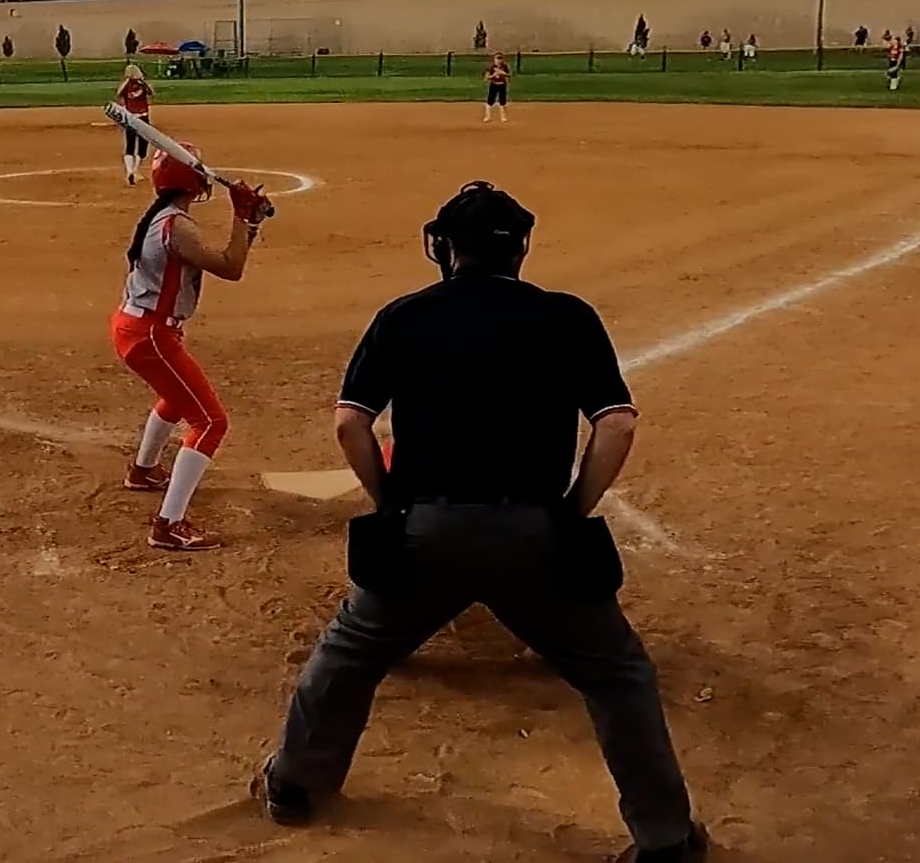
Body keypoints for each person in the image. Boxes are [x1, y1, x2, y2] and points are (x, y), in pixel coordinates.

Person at [253, 181, 707, 863]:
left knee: (349, 654)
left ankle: (295, 784)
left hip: (426, 532)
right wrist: (571, 512)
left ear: (447, 249)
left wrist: (389, 502)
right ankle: (665, 838)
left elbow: (350, 423)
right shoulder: (567, 316)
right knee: (618, 677)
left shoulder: (406, 315)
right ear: (521, 248)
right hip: (533, 535)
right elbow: (616, 425)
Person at [111, 146, 272, 551]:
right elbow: (230, 268)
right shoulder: (177, 226)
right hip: (150, 335)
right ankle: (168, 525)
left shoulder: (162, 216)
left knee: (176, 397)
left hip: (137, 327)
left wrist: (249, 222)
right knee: (210, 423)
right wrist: (242, 218)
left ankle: (143, 470)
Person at [114, 65, 156, 186]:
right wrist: (139, 81)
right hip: (141, 117)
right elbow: (151, 93)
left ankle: (130, 171)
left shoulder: (134, 85)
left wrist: (139, 81)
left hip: (130, 118)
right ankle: (135, 170)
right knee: (142, 146)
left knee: (130, 145)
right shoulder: (132, 85)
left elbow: (151, 92)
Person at [482, 53, 511, 123]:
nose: (498, 60)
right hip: (493, 85)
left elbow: (509, 75)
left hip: (502, 85)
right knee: (490, 101)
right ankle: (488, 116)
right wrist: (493, 75)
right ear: (494, 59)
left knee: (502, 101)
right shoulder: (491, 67)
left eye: (500, 58)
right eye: (497, 59)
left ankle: (503, 117)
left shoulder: (505, 67)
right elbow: (486, 78)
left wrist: (503, 73)